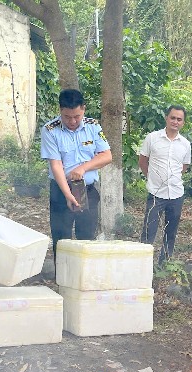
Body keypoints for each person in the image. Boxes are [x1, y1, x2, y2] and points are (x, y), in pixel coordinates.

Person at [41, 89, 112, 255]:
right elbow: (56, 165)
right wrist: (68, 194)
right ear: (60, 110)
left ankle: (84, 276)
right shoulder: (50, 130)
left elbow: (107, 156)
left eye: (76, 116)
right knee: (61, 237)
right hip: (61, 190)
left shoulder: (93, 127)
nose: (72, 121)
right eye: (67, 117)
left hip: (87, 189)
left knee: (86, 236)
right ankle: (62, 275)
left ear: (84, 109)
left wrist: (83, 168)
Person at [139, 105, 192, 265]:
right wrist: (152, 178)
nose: (175, 122)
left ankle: (164, 265)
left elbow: (183, 167)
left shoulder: (185, 144)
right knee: (149, 231)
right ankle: (142, 263)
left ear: (183, 122)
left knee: (171, 233)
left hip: (176, 195)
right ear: (166, 118)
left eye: (179, 119)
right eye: (173, 118)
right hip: (156, 194)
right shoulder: (152, 138)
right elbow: (142, 161)